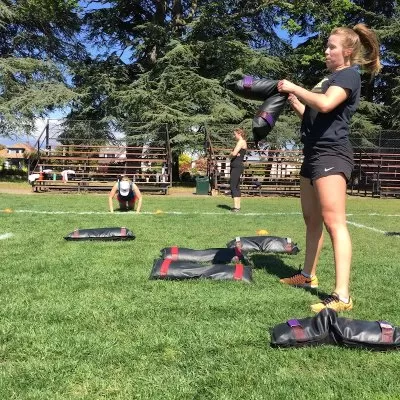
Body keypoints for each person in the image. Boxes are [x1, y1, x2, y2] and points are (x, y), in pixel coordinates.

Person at [277, 24, 381, 312]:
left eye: (331, 47)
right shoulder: (329, 78)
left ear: (346, 51)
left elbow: (325, 105)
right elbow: (314, 116)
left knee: (335, 223)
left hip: (332, 154)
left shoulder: (349, 75)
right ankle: (307, 275)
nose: (326, 51)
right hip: (313, 154)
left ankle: (342, 296)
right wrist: (296, 101)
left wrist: (295, 87)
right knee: (311, 219)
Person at [229, 128, 247, 212]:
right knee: (236, 186)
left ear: (239, 134)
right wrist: (234, 154)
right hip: (236, 166)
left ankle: (236, 207)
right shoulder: (241, 142)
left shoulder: (241, 142)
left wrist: (231, 154)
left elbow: (234, 153)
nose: (234, 136)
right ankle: (237, 207)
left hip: (236, 166)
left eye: (235, 134)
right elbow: (235, 154)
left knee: (233, 186)